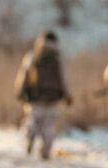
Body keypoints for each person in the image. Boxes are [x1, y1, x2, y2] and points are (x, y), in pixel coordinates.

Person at [14, 30, 72, 159]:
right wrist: (68, 95)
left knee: (32, 121)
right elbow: (64, 78)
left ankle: (29, 141)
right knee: (49, 126)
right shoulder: (58, 57)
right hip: (53, 98)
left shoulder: (33, 55)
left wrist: (20, 90)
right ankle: (45, 152)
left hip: (35, 96)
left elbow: (24, 74)